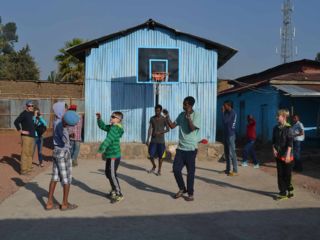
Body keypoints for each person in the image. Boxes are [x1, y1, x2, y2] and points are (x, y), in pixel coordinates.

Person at [164, 96, 200, 201]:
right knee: (176, 169)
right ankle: (182, 188)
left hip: (191, 149)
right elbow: (172, 126)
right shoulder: (181, 115)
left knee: (190, 172)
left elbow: (191, 129)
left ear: (190, 105)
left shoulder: (197, 115)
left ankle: (190, 194)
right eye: (183, 103)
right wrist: (167, 117)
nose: (183, 105)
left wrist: (188, 116)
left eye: (185, 104)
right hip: (181, 148)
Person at [46, 102, 80, 211]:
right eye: (64, 110)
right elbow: (64, 139)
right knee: (67, 178)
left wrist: (68, 134)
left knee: (55, 177)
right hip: (63, 152)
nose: (66, 112)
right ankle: (65, 204)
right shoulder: (61, 123)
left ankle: (49, 203)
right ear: (60, 111)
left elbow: (60, 134)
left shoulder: (56, 121)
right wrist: (67, 132)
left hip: (56, 151)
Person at [96, 111, 124, 204]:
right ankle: (113, 191)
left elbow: (108, 140)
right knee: (108, 173)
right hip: (110, 155)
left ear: (118, 120)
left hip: (114, 156)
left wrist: (101, 150)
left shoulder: (115, 129)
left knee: (112, 174)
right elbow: (103, 126)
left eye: (113, 117)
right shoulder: (112, 127)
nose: (111, 117)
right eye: (111, 116)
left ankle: (119, 194)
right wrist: (99, 119)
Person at [272, 109, 294, 201]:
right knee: (280, 174)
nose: (276, 117)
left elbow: (290, 143)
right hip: (278, 155)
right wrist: (273, 149)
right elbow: (273, 141)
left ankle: (289, 187)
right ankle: (283, 193)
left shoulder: (289, 128)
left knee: (287, 174)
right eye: (276, 116)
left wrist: (288, 155)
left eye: (278, 116)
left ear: (284, 117)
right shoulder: (275, 128)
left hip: (287, 155)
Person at [146, 104, 169, 176]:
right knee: (151, 155)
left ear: (161, 111)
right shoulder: (152, 118)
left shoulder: (164, 119)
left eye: (158, 111)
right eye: (156, 111)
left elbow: (168, 129)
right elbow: (150, 128)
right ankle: (154, 166)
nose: (157, 112)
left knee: (161, 156)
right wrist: (147, 139)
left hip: (161, 141)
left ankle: (159, 170)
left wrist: (160, 132)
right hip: (153, 140)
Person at [14, 100, 36, 175]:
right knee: (25, 153)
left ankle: (28, 168)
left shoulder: (32, 114)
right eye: (30, 106)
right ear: (26, 106)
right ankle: (23, 170)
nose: (31, 107)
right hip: (26, 137)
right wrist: (21, 131)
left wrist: (36, 115)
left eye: (32, 106)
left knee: (30, 153)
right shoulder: (24, 114)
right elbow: (16, 122)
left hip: (32, 136)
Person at [222, 100, 238, 176]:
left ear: (229, 106)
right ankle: (228, 169)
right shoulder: (226, 112)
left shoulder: (233, 113)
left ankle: (235, 170)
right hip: (226, 134)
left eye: (225, 105)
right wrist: (224, 113)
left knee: (232, 153)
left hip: (231, 135)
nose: (223, 107)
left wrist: (222, 112)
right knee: (227, 153)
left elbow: (226, 121)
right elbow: (224, 122)